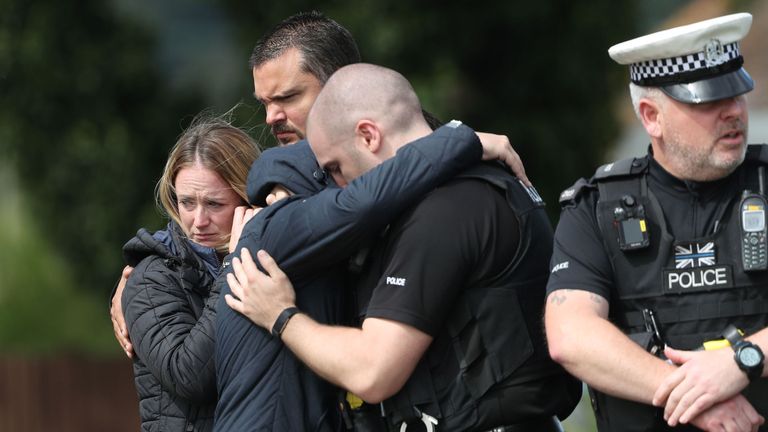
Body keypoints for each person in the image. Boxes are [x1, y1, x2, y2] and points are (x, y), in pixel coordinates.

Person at [109, 10, 530, 358]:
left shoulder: (430, 161)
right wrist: (146, 285)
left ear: (341, 84)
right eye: (264, 103)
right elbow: (211, 237)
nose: (271, 117)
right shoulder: (283, 179)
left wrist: (458, 142)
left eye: (288, 98)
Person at [225, 63, 581, 431]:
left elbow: (373, 371)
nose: (340, 186)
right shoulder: (480, 184)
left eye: (336, 168)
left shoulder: (444, 209)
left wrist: (281, 316)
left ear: (368, 135)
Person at [544, 13, 768, 432]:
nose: (734, 112)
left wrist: (743, 361)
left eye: (736, 94)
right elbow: (570, 334)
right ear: (651, 116)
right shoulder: (596, 208)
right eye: (708, 100)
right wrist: (694, 395)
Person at [121, 116, 260, 431]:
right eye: (186, 202)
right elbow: (189, 377)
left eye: (214, 204)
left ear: (247, 200)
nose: (198, 220)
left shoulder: (275, 260)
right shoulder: (151, 277)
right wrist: (232, 267)